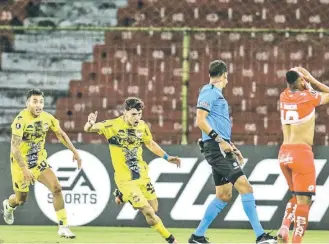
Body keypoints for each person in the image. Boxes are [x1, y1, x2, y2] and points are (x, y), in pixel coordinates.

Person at [188, 60, 276, 244]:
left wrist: (232, 147)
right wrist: (220, 142)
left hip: (220, 146)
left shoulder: (214, 94)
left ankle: (197, 236)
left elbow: (216, 124)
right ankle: (260, 237)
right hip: (216, 147)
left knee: (224, 195)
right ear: (225, 75)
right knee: (246, 187)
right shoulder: (209, 92)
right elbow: (200, 121)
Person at [84, 97, 181, 244]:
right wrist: (90, 123)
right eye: (134, 114)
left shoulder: (142, 126)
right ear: (125, 112)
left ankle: (122, 196)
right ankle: (171, 240)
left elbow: (150, 143)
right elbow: (90, 129)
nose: (137, 118)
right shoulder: (112, 125)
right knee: (148, 211)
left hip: (141, 174)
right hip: (125, 179)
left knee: (154, 209)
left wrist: (167, 157)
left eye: (139, 114)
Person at [2, 89, 82, 238]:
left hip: (38, 161)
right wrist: (25, 169)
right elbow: (14, 148)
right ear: (27, 104)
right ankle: (9, 205)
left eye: (41, 102)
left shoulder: (47, 118)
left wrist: (75, 151)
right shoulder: (20, 121)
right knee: (21, 200)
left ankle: (63, 227)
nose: (39, 105)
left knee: (57, 188)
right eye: (35, 101)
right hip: (21, 165)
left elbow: (61, 134)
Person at [277, 67, 329, 243]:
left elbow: (295, 86)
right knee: (304, 202)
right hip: (301, 153)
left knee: (295, 194)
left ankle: (285, 226)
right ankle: (296, 241)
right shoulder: (308, 97)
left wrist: (301, 80)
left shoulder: (283, 96)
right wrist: (312, 80)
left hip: (284, 153)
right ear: (300, 82)